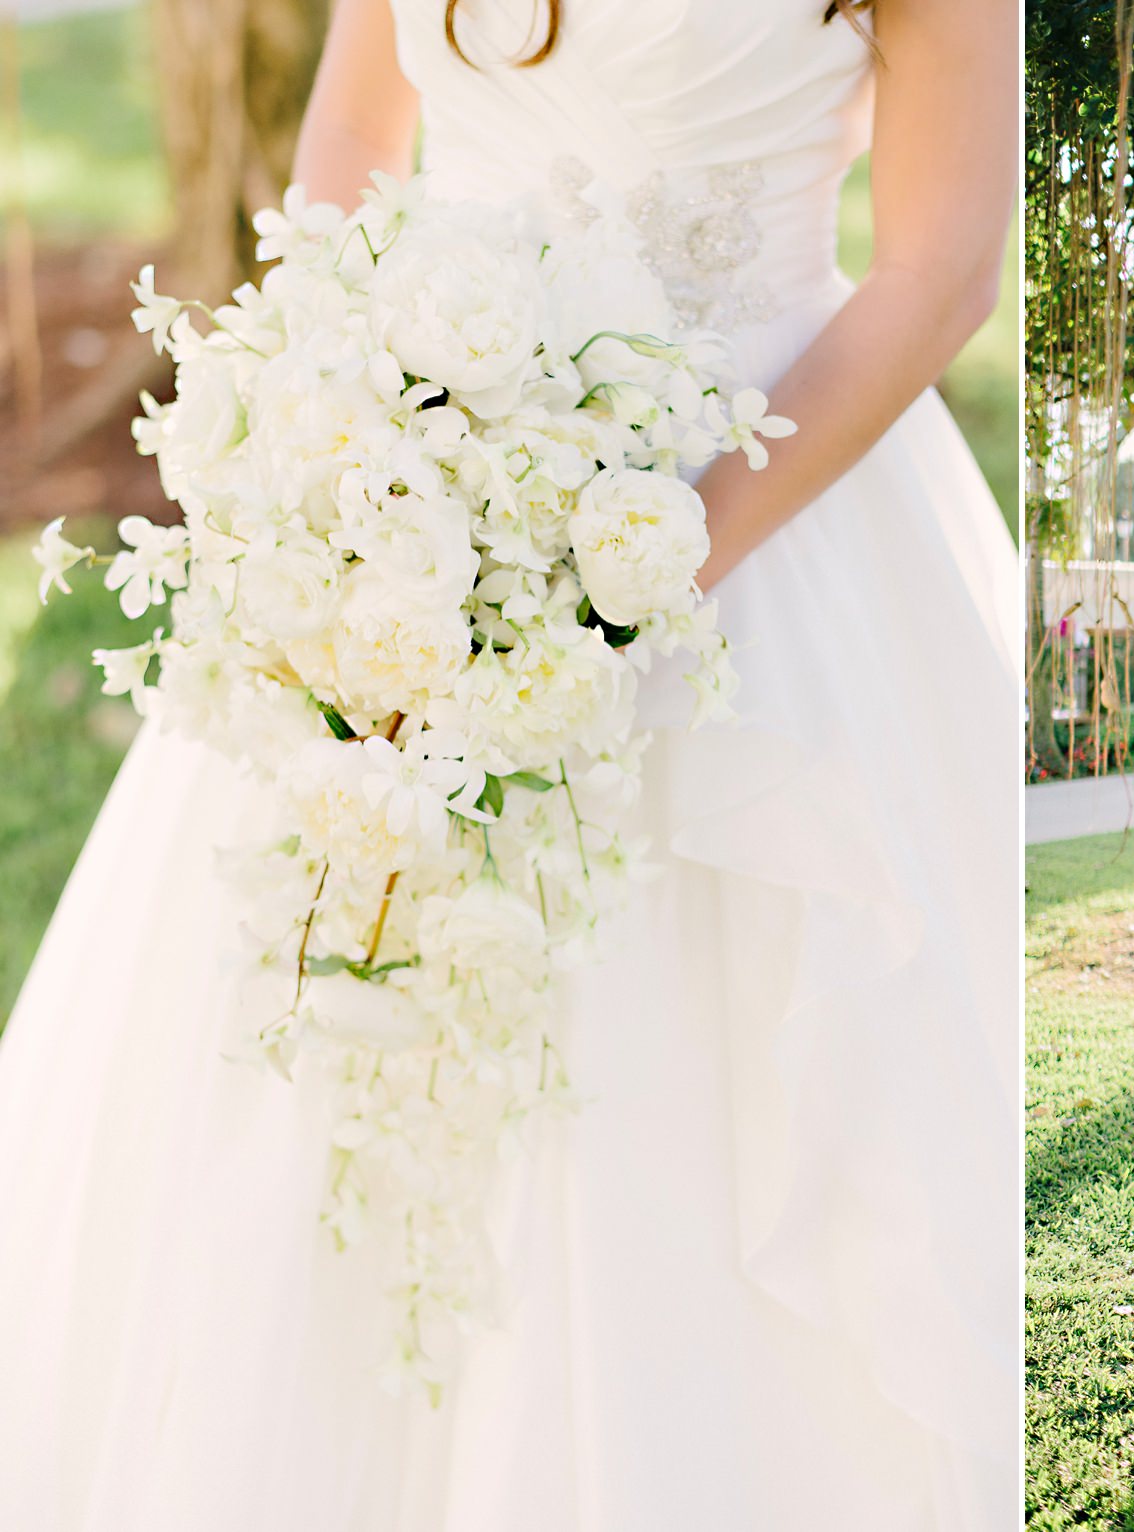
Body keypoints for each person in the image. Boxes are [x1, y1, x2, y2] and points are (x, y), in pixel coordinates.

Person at [0, 3, 1021, 1527]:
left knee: (667, 1095)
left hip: (752, 500)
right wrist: (340, 453)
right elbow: (353, 134)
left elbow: (938, 269)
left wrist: (649, 563)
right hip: (407, 485)